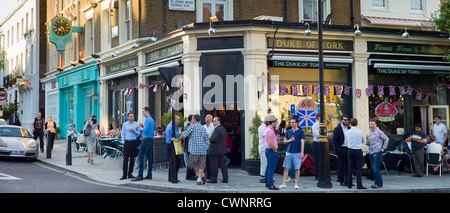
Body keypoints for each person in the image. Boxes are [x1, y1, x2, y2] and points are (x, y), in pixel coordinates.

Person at [171, 114, 208, 185]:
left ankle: (202, 175)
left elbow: (184, 134)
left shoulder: (192, 126)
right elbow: (205, 139)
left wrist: (177, 139)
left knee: (190, 164)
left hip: (194, 149)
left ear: (194, 119)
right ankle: (199, 179)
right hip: (203, 149)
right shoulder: (203, 128)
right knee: (202, 164)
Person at [279, 117, 305, 189]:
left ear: (297, 123)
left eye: (293, 122)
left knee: (297, 168)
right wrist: (290, 140)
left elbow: (302, 142)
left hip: (297, 152)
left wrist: (302, 152)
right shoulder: (288, 131)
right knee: (286, 168)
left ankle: (296, 184)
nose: (291, 124)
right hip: (289, 152)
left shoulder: (301, 132)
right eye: (291, 122)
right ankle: (284, 183)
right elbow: (284, 141)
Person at [133, 107, 155, 181]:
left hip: (146, 140)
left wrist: (140, 127)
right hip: (151, 139)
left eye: (143, 112)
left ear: (147, 112)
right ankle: (149, 174)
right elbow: (150, 129)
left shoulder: (147, 120)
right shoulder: (152, 120)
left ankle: (140, 175)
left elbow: (145, 131)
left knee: (140, 156)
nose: (142, 113)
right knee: (149, 157)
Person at [366, 120, 389, 189]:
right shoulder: (370, 133)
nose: (372, 125)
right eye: (370, 124)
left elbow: (386, 139)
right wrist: (367, 142)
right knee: (374, 168)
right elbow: (368, 142)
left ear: (376, 125)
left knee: (376, 168)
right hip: (371, 151)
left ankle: (376, 183)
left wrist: (383, 148)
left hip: (377, 151)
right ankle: (380, 183)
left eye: (373, 124)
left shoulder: (379, 132)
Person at [345, 118, 366, 189]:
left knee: (350, 167)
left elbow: (347, 140)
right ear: (357, 124)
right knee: (358, 169)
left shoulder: (347, 132)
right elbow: (363, 141)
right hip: (358, 150)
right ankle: (359, 185)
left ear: (350, 124)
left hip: (350, 150)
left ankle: (349, 184)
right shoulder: (360, 132)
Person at [208, 117, 229, 183]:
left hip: (215, 150)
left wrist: (210, 137)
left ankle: (214, 179)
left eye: (215, 121)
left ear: (218, 122)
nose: (213, 122)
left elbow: (214, 139)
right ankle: (225, 179)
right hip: (221, 150)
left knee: (214, 165)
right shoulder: (223, 128)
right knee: (222, 165)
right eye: (213, 121)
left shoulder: (217, 129)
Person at [120, 112, 140, 180]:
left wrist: (134, 131)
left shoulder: (136, 124)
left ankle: (130, 173)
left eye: (133, 116)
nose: (132, 117)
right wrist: (123, 142)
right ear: (128, 117)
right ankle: (124, 174)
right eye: (130, 116)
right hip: (127, 142)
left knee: (132, 159)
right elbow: (122, 134)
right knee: (125, 159)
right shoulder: (125, 124)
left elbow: (139, 133)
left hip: (133, 142)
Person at [332, 115, 350, 186]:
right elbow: (334, 140)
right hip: (341, 148)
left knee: (348, 165)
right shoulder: (337, 129)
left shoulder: (349, 128)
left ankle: (348, 181)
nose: (346, 121)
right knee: (341, 166)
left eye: (347, 120)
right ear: (341, 121)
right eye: (344, 120)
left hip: (348, 148)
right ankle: (341, 181)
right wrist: (338, 149)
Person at [264, 115, 279, 190]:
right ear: (272, 122)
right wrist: (275, 150)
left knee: (268, 167)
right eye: (276, 122)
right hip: (271, 150)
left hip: (268, 150)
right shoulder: (270, 131)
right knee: (271, 168)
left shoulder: (268, 129)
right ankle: (270, 185)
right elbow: (270, 142)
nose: (276, 124)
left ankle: (267, 182)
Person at [165, 114, 181, 183]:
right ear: (173, 119)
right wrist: (180, 135)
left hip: (172, 145)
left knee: (173, 162)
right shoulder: (172, 127)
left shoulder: (173, 126)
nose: (179, 121)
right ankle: (173, 177)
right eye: (178, 119)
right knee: (176, 162)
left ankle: (171, 177)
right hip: (171, 146)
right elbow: (176, 136)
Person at [183, 115, 197, 181]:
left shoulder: (188, 126)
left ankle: (192, 174)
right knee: (190, 162)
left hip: (189, 147)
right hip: (189, 147)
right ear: (191, 120)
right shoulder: (189, 126)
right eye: (193, 119)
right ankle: (188, 176)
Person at [204, 114, 214, 181]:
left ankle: (211, 176)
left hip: (211, 146)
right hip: (204, 147)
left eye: (207, 117)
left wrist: (210, 136)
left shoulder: (213, 127)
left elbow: (214, 136)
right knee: (206, 161)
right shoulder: (203, 126)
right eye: (205, 117)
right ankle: (207, 175)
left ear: (210, 119)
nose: (205, 118)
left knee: (211, 162)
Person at [258, 116, 268, 183]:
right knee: (264, 162)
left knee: (267, 163)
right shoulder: (262, 127)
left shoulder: (266, 127)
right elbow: (266, 136)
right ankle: (262, 176)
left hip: (266, 147)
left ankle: (267, 176)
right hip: (263, 148)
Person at [312, 114, 320, 181]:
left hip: (321, 143)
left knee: (322, 160)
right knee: (317, 159)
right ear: (319, 118)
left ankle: (322, 174)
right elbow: (317, 135)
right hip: (316, 143)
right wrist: (326, 134)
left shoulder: (322, 125)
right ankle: (317, 175)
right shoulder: (315, 125)